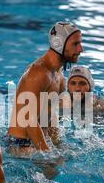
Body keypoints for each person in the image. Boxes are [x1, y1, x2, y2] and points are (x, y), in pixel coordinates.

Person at [8, 21, 83, 153]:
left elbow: (50, 115)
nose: (80, 49)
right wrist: (48, 156)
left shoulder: (59, 75)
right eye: (75, 44)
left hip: (37, 142)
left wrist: (58, 145)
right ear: (59, 44)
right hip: (19, 146)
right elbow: (29, 120)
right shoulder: (39, 73)